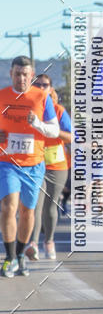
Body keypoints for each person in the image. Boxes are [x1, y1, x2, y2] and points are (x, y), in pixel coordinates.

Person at [0, 56, 59, 277]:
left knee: (27, 212)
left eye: (25, 74)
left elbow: (53, 131)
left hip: (34, 165)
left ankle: (21, 254)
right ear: (11, 74)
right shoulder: (2, 96)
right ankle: (9, 257)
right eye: (17, 73)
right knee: (8, 207)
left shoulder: (42, 97)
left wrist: (37, 124)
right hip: (7, 162)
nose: (21, 78)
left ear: (31, 75)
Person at [26, 77, 72, 261]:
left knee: (50, 206)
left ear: (51, 88)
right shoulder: (28, 109)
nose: (41, 88)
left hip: (57, 165)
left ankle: (49, 241)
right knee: (35, 204)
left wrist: (51, 130)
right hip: (34, 162)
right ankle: (33, 244)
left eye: (45, 85)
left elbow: (71, 137)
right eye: (37, 85)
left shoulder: (59, 111)